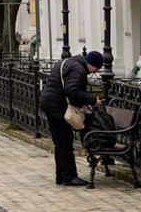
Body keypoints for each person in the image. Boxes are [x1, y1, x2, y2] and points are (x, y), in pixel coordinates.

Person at [39, 50, 103, 187]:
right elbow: (72, 90)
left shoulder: (69, 62)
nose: (93, 73)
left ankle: (61, 176)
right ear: (91, 65)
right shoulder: (79, 69)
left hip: (50, 103)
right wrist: (92, 100)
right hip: (57, 106)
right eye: (96, 69)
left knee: (61, 142)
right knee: (65, 141)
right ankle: (69, 177)